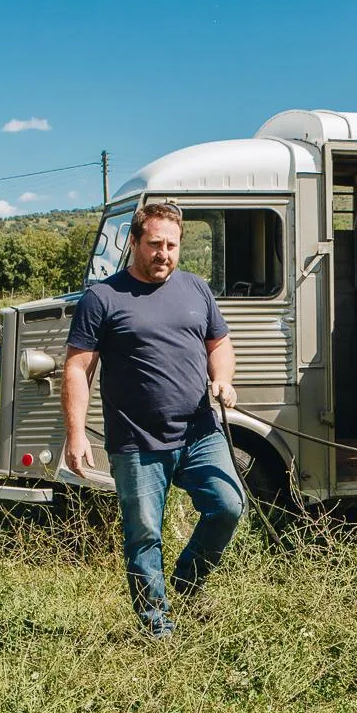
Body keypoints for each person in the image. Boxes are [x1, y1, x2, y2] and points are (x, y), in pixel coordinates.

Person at [61, 202, 243, 637]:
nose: (164, 254)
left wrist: (222, 379)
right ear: (134, 242)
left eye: (172, 245)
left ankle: (186, 582)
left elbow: (219, 344)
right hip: (136, 440)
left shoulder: (195, 289)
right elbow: (77, 368)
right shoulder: (103, 298)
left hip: (200, 430)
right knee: (144, 534)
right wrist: (76, 434)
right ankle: (156, 624)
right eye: (155, 244)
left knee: (228, 505)